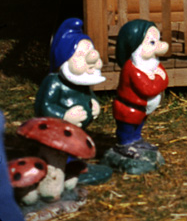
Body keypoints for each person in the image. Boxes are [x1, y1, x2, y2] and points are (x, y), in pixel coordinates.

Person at [35, 17, 106, 129]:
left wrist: (94, 103)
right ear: (63, 60)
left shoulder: (81, 82)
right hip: (57, 131)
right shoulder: (54, 82)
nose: (91, 58)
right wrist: (64, 116)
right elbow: (45, 106)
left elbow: (88, 94)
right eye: (80, 55)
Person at [112, 19, 169, 159]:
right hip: (129, 108)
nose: (159, 45)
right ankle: (124, 144)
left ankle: (136, 140)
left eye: (158, 40)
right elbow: (148, 90)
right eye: (152, 42)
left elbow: (165, 79)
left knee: (138, 126)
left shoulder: (152, 63)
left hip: (143, 108)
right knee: (127, 128)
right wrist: (158, 79)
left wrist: (158, 79)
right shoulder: (133, 69)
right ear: (135, 46)